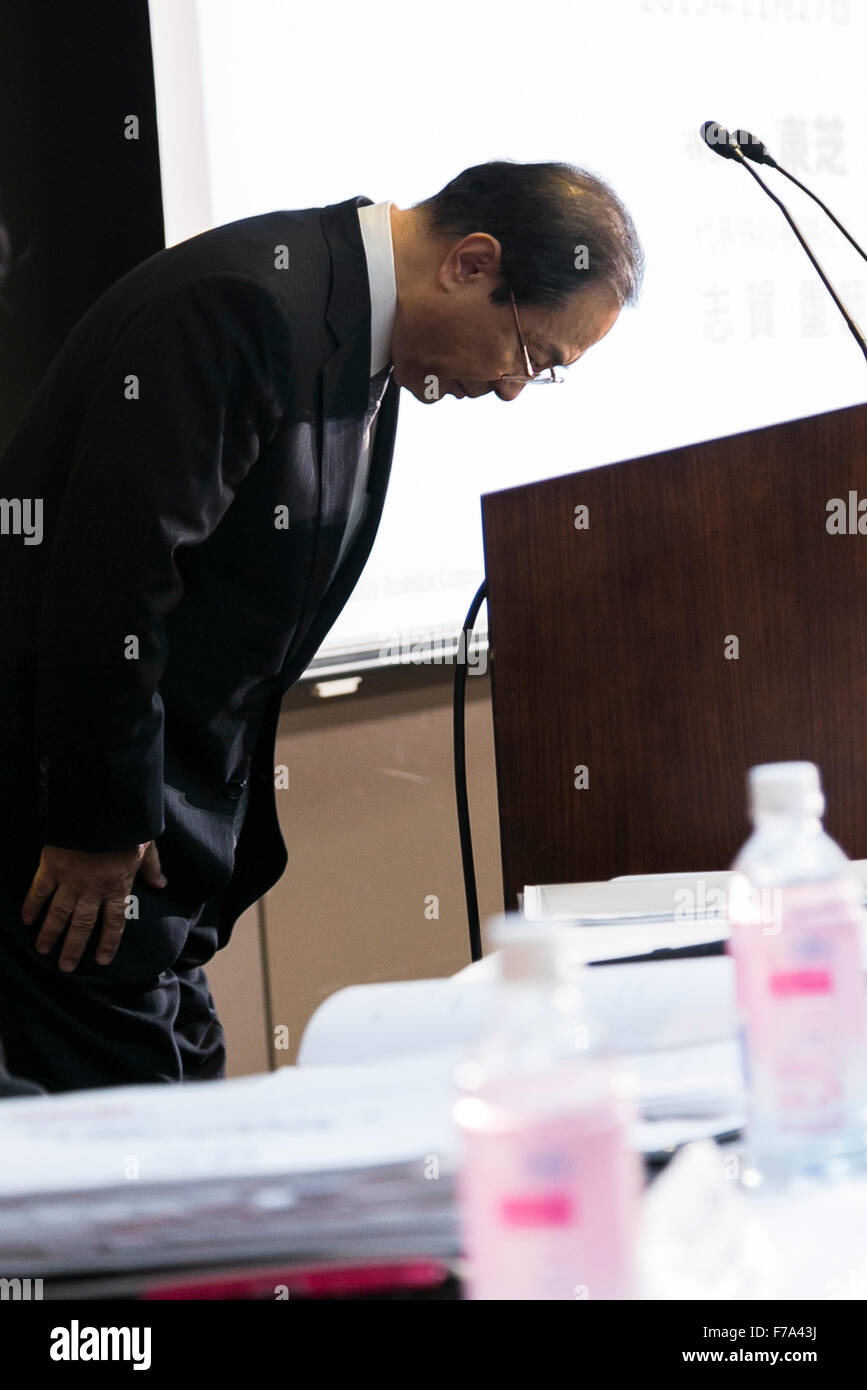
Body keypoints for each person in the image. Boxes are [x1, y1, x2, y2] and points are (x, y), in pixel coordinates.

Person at [0, 160, 643, 1093]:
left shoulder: (356, 328)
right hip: (78, 840)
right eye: (531, 354)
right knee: (143, 1174)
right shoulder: (245, 305)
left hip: (167, 858)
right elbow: (111, 582)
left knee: (190, 1130)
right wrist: (98, 823)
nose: (512, 388)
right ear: (469, 263)